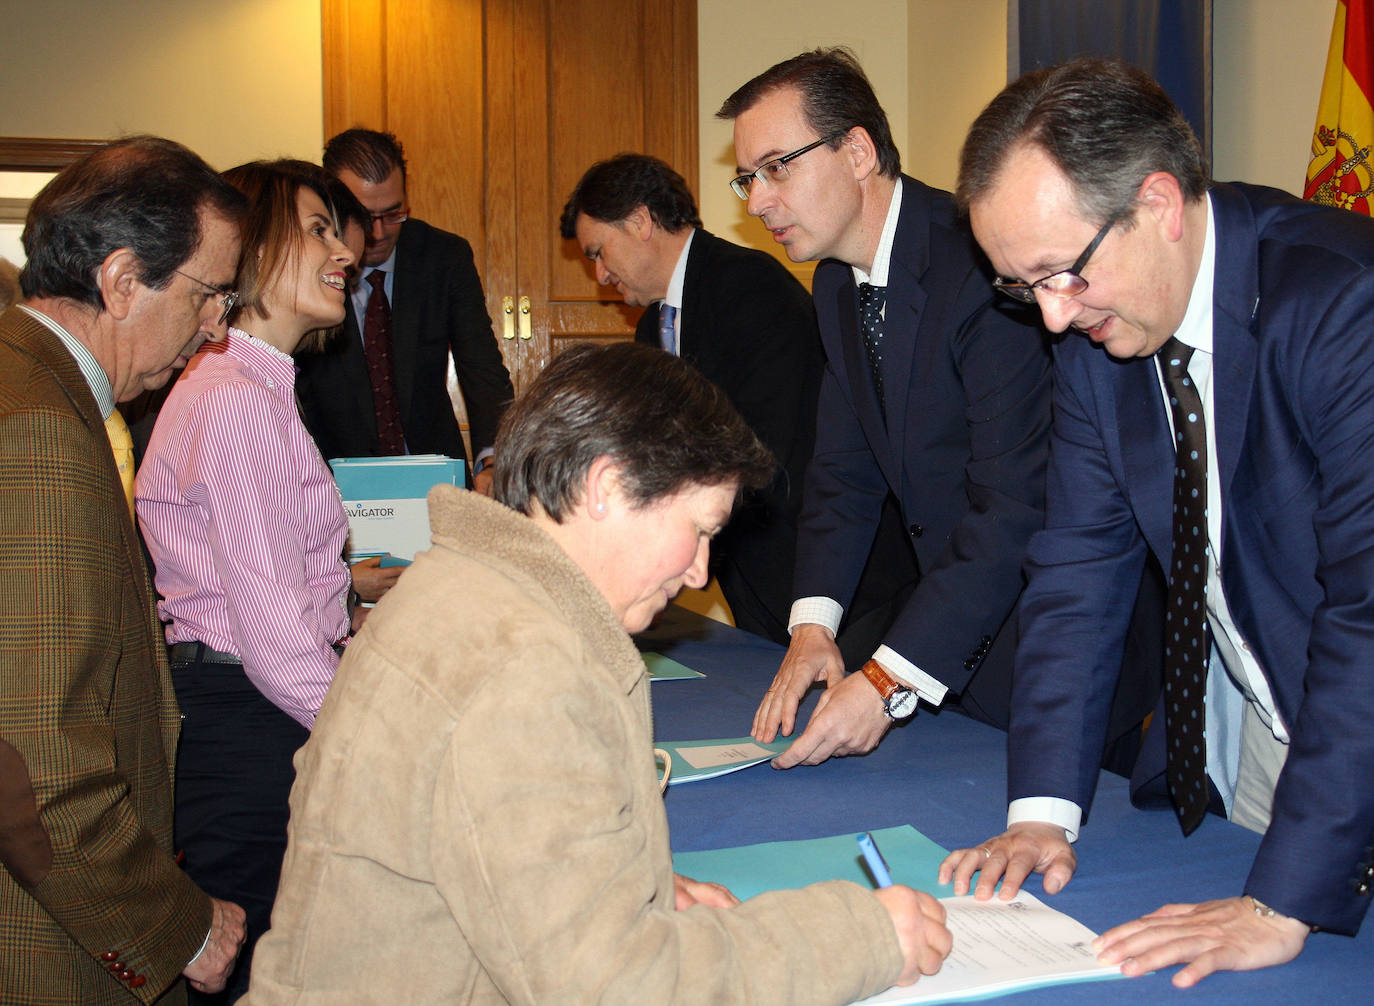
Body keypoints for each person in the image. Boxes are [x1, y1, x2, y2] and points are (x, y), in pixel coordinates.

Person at [243, 342, 951, 1004]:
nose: (701, 571)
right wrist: (858, 935)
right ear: (605, 485)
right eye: (700, 528)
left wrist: (616, 882)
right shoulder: (524, 667)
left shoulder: (460, 593)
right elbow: (615, 989)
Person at [939, 56, 1374, 987]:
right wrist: (1043, 811)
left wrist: (1283, 897)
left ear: (1160, 204)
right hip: (1272, 722)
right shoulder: (1104, 336)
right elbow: (1078, 569)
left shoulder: (1344, 304)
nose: (1052, 319)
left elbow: (1369, 616)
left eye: (1062, 273)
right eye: (1025, 288)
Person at [719, 48, 1052, 766]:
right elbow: (845, 473)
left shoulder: (977, 263)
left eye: (778, 167)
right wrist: (813, 624)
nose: (756, 201)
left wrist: (888, 678)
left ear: (858, 150)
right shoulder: (836, 285)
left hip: (1054, 651)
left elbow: (1013, 509)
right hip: (953, 640)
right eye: (749, 177)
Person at [0, 136, 246, 1003]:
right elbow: (36, 763)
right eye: (210, 293)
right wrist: (175, 928)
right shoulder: (39, 437)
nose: (219, 325)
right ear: (119, 281)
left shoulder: (30, 391)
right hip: (48, 941)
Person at [135, 159, 356, 1002]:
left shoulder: (253, 389)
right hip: (250, 728)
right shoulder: (233, 399)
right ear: (253, 247)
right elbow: (276, 645)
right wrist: (379, 733)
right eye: (319, 228)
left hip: (254, 717)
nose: (345, 251)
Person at [560, 153, 920, 648]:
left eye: (599, 251)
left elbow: (764, 451)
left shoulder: (748, 285)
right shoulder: (652, 326)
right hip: (756, 589)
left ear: (640, 221)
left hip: (844, 591)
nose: (599, 275)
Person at [295, 128, 515, 494]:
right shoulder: (310, 268)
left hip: (434, 479)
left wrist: (493, 459)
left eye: (393, 213)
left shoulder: (444, 257)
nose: (379, 233)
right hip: (335, 482)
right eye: (365, 217)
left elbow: (483, 369)